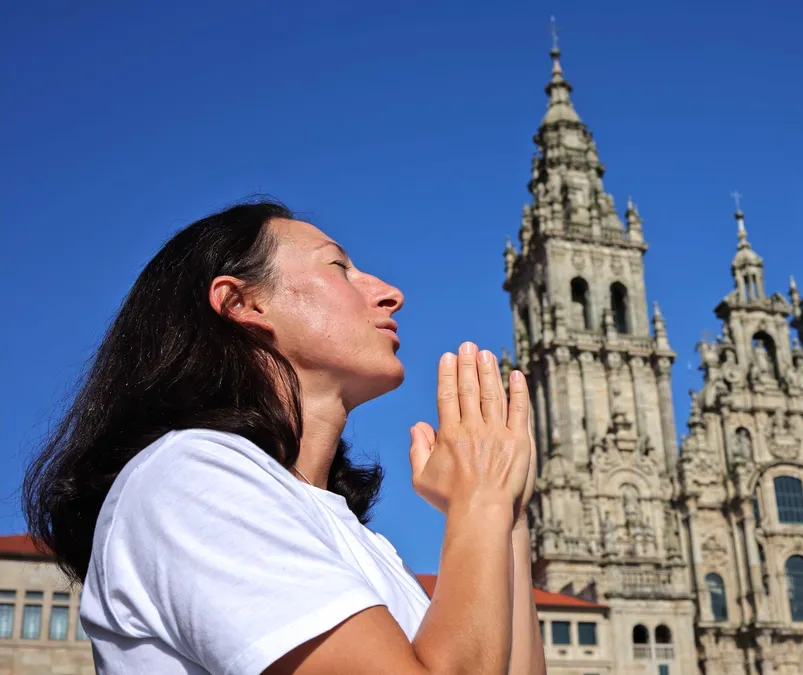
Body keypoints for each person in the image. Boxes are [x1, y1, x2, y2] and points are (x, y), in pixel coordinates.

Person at [20, 199, 547, 675]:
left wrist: (507, 511)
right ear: (243, 304)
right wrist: (480, 499)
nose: (391, 294)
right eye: (340, 268)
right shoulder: (189, 479)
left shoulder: (363, 542)